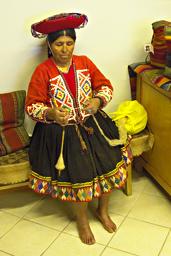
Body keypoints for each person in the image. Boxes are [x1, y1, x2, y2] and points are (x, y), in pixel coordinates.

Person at [25, 13, 132, 245]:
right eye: (59, 44)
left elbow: (105, 86)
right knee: (79, 174)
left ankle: (103, 211)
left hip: (93, 125)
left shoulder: (84, 63)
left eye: (69, 43)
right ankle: (82, 221)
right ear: (50, 46)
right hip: (61, 133)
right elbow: (32, 106)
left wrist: (97, 102)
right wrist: (51, 113)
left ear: (75, 43)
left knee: (109, 163)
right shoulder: (43, 71)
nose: (65, 49)